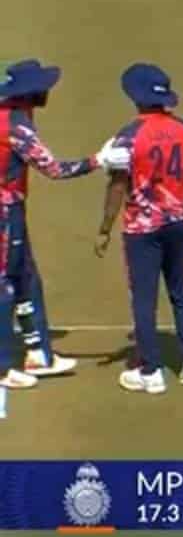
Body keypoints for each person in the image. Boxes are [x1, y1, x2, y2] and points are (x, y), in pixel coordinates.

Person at [0, 59, 126, 388]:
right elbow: (53, 169)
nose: (48, 92)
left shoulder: (17, 114)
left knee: (26, 278)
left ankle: (39, 353)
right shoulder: (15, 126)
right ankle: (2, 366)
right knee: (5, 286)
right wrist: (98, 161)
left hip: (12, 209)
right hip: (4, 213)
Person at [95, 63, 183, 395]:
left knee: (144, 299)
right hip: (178, 222)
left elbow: (118, 186)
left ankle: (150, 371)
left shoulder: (129, 136)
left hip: (142, 230)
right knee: (182, 291)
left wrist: (105, 228)